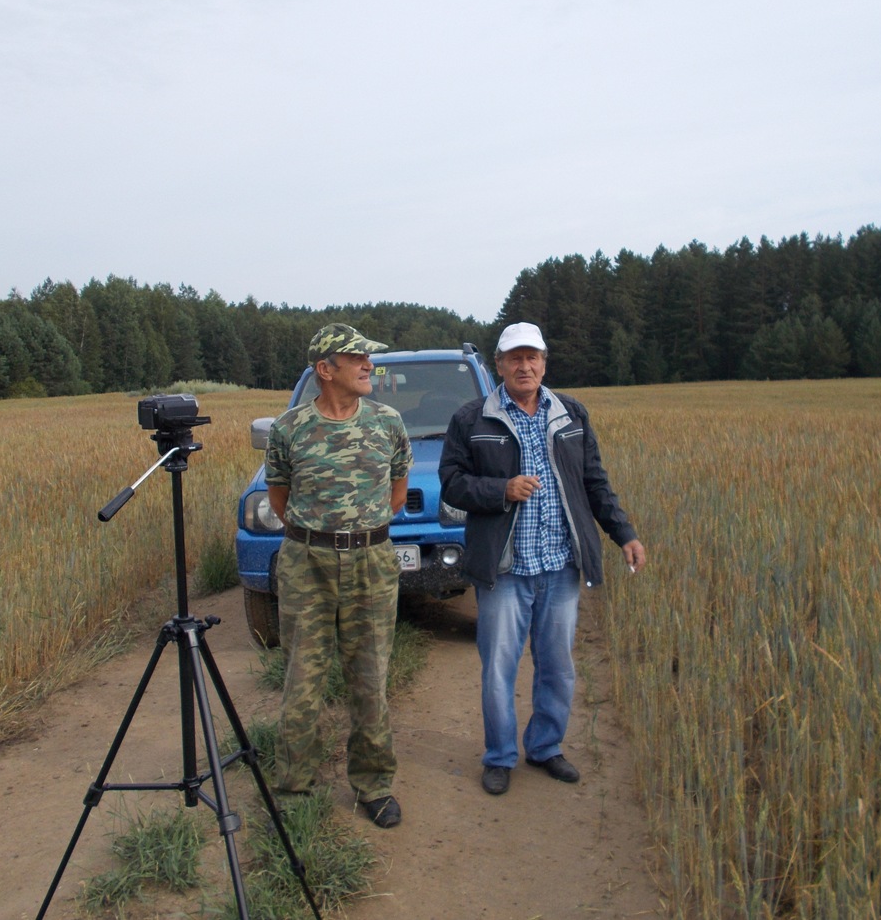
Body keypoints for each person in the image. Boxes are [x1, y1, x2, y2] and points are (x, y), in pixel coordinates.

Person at [438, 322, 646, 796]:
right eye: (515, 358)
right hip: (505, 570)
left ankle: (546, 747)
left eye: (533, 357)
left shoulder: (570, 413)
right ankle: (499, 756)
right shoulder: (472, 419)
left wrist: (624, 533)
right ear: (499, 366)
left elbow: (594, 482)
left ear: (545, 362)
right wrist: (500, 490)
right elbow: (451, 482)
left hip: (560, 567)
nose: (524, 366)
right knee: (498, 669)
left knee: (557, 665)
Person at [264, 323, 412, 828]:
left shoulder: (388, 422)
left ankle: (374, 785)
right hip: (307, 563)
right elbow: (281, 502)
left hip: (371, 563)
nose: (369, 365)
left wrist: (356, 535)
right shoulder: (289, 428)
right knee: (302, 678)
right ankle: (294, 786)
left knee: (370, 678)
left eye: (368, 358)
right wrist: (324, 539)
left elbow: (396, 493)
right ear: (326, 370)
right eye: (357, 358)